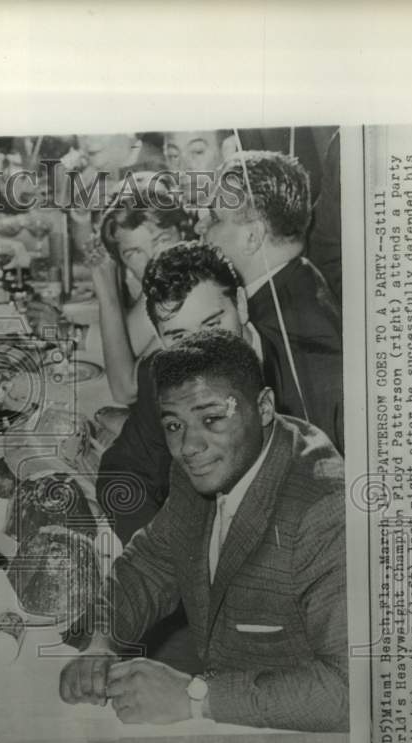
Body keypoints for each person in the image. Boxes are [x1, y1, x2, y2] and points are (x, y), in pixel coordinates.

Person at [62, 330, 347, 733]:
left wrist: (195, 697)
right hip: (235, 725)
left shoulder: (325, 508)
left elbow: (350, 691)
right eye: (174, 425)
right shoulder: (211, 457)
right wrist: (101, 640)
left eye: (212, 419)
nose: (189, 446)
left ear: (264, 407)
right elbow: (153, 560)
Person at [96, 242, 262, 543]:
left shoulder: (304, 377)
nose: (202, 352)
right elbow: (125, 471)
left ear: (240, 304)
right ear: (159, 338)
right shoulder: (159, 375)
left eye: (213, 325)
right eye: (179, 337)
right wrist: (157, 557)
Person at [196, 150, 344, 453]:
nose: (200, 228)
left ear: (252, 237)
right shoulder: (302, 279)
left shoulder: (279, 333)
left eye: (213, 217)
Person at [91, 178, 194, 404]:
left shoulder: (192, 292)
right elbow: (125, 345)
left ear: (184, 234)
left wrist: (108, 296)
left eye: (161, 241)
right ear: (121, 263)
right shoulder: (162, 288)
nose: (153, 260)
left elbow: (125, 390)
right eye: (134, 253)